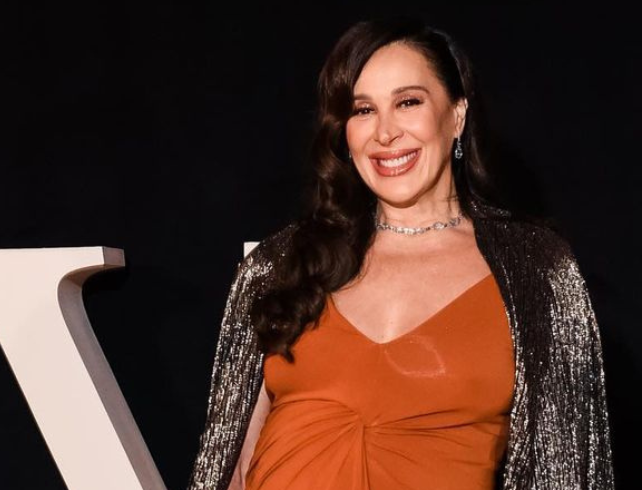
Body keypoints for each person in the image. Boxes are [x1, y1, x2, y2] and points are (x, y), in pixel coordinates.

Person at [187, 16, 614, 490]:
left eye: (408, 102)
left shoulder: (535, 269)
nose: (385, 132)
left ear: (457, 114)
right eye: (363, 110)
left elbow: (566, 470)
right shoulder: (281, 263)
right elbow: (232, 461)